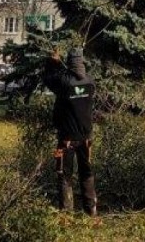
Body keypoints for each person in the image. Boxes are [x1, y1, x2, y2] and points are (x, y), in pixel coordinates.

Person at [43, 47, 98, 217]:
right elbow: (67, 77)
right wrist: (60, 64)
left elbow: (49, 79)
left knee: (64, 175)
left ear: (69, 63)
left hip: (66, 140)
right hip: (86, 139)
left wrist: (53, 61)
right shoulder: (90, 82)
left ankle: (66, 215)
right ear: (82, 62)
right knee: (86, 174)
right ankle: (91, 212)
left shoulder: (63, 81)